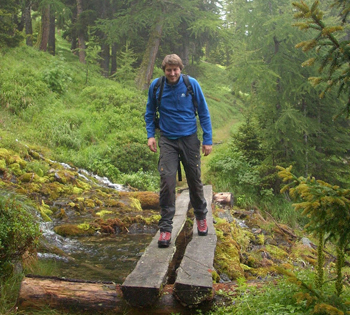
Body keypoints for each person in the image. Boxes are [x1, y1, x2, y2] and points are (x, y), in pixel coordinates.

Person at [145, 54, 213, 248]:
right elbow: (150, 112)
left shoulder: (191, 85)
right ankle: (166, 228)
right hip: (167, 140)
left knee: (194, 179)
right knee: (167, 181)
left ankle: (201, 216)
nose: (172, 73)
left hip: (190, 139)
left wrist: (207, 139)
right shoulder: (157, 87)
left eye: (175, 70)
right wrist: (151, 135)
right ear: (164, 70)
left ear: (180, 69)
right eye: (169, 70)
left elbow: (204, 113)